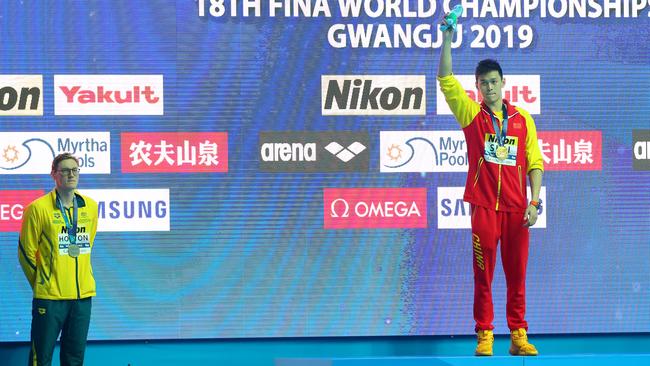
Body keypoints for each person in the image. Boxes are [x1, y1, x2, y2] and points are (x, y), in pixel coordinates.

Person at [437, 14, 544, 357]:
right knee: (483, 276)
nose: (490, 88)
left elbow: (536, 163)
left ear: (503, 82)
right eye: (483, 83)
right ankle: (485, 334)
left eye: (494, 82)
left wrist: (534, 201)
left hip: (517, 210)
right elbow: (445, 79)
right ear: (478, 87)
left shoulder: (523, 120)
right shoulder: (472, 116)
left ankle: (518, 336)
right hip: (484, 208)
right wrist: (448, 39)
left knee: (517, 276)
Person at [18, 153, 98, 366]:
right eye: (65, 170)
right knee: (40, 358)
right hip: (50, 298)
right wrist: (42, 282)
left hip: (82, 297)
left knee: (74, 358)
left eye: (75, 170)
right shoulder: (37, 208)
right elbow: (26, 252)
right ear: (54, 174)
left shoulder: (90, 207)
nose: (71, 174)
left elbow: (86, 244)